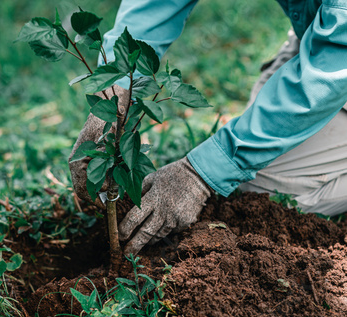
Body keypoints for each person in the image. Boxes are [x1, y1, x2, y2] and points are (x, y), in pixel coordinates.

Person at [68, 0, 347, 256]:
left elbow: (326, 76)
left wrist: (198, 174)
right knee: (248, 175)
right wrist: (117, 85)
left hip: (336, 62)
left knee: (265, 197)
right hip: (323, 39)